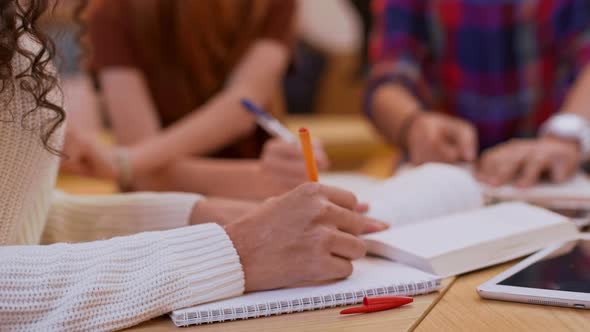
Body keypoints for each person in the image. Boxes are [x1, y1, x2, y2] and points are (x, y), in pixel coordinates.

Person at [0, 2, 388, 330]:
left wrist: (197, 216)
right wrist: (235, 249)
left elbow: (22, 223)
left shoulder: (18, 29)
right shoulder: (113, 14)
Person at [70, 0, 329, 199]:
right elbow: (146, 181)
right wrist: (261, 178)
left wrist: (128, 161)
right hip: (164, 217)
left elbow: (242, 105)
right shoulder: (113, 10)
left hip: (255, 201)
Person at [367, 0, 590, 187]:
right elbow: (388, 75)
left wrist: (566, 134)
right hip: (448, 170)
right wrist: (413, 125)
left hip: (553, 164)